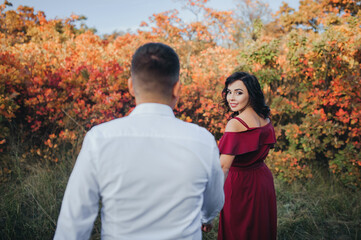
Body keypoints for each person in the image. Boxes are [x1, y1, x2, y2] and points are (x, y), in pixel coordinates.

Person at [54, 42, 224, 240]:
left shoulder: (100, 139)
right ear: (177, 89)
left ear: (130, 87)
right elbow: (214, 201)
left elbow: (74, 222)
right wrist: (206, 217)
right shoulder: (202, 141)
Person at [217, 72, 277, 240]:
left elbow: (223, 167)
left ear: (251, 94)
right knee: (260, 230)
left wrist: (210, 203)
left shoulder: (235, 124)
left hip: (239, 184)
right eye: (229, 92)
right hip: (262, 180)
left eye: (239, 92)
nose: (231, 98)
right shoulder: (265, 118)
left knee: (238, 232)